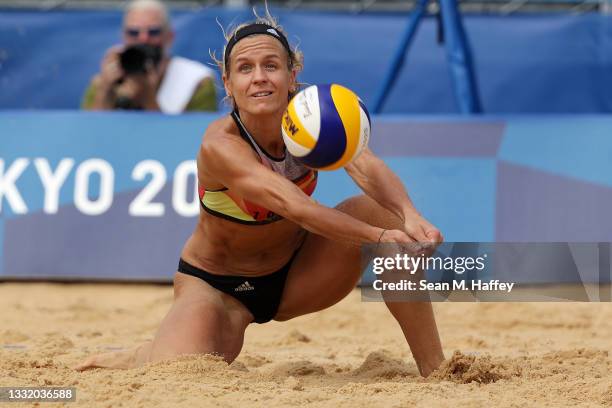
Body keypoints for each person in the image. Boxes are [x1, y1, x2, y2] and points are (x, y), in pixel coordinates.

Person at [75, 10, 445, 377]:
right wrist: (379, 237)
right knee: (176, 371)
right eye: (245, 68)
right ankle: (141, 354)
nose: (259, 78)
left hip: (296, 275)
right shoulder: (221, 145)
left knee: (388, 216)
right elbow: (294, 206)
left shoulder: (311, 120)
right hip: (219, 287)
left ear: (292, 76)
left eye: (271, 65)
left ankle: (436, 369)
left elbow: (364, 165)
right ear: (228, 81)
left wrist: (410, 215)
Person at [81, 0, 217, 113]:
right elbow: (88, 133)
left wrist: (148, 98)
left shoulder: (197, 82)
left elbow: (197, 139)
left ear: (169, 37)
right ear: (124, 37)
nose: (143, 39)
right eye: (134, 32)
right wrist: (106, 90)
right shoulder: (103, 81)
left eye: (153, 32)